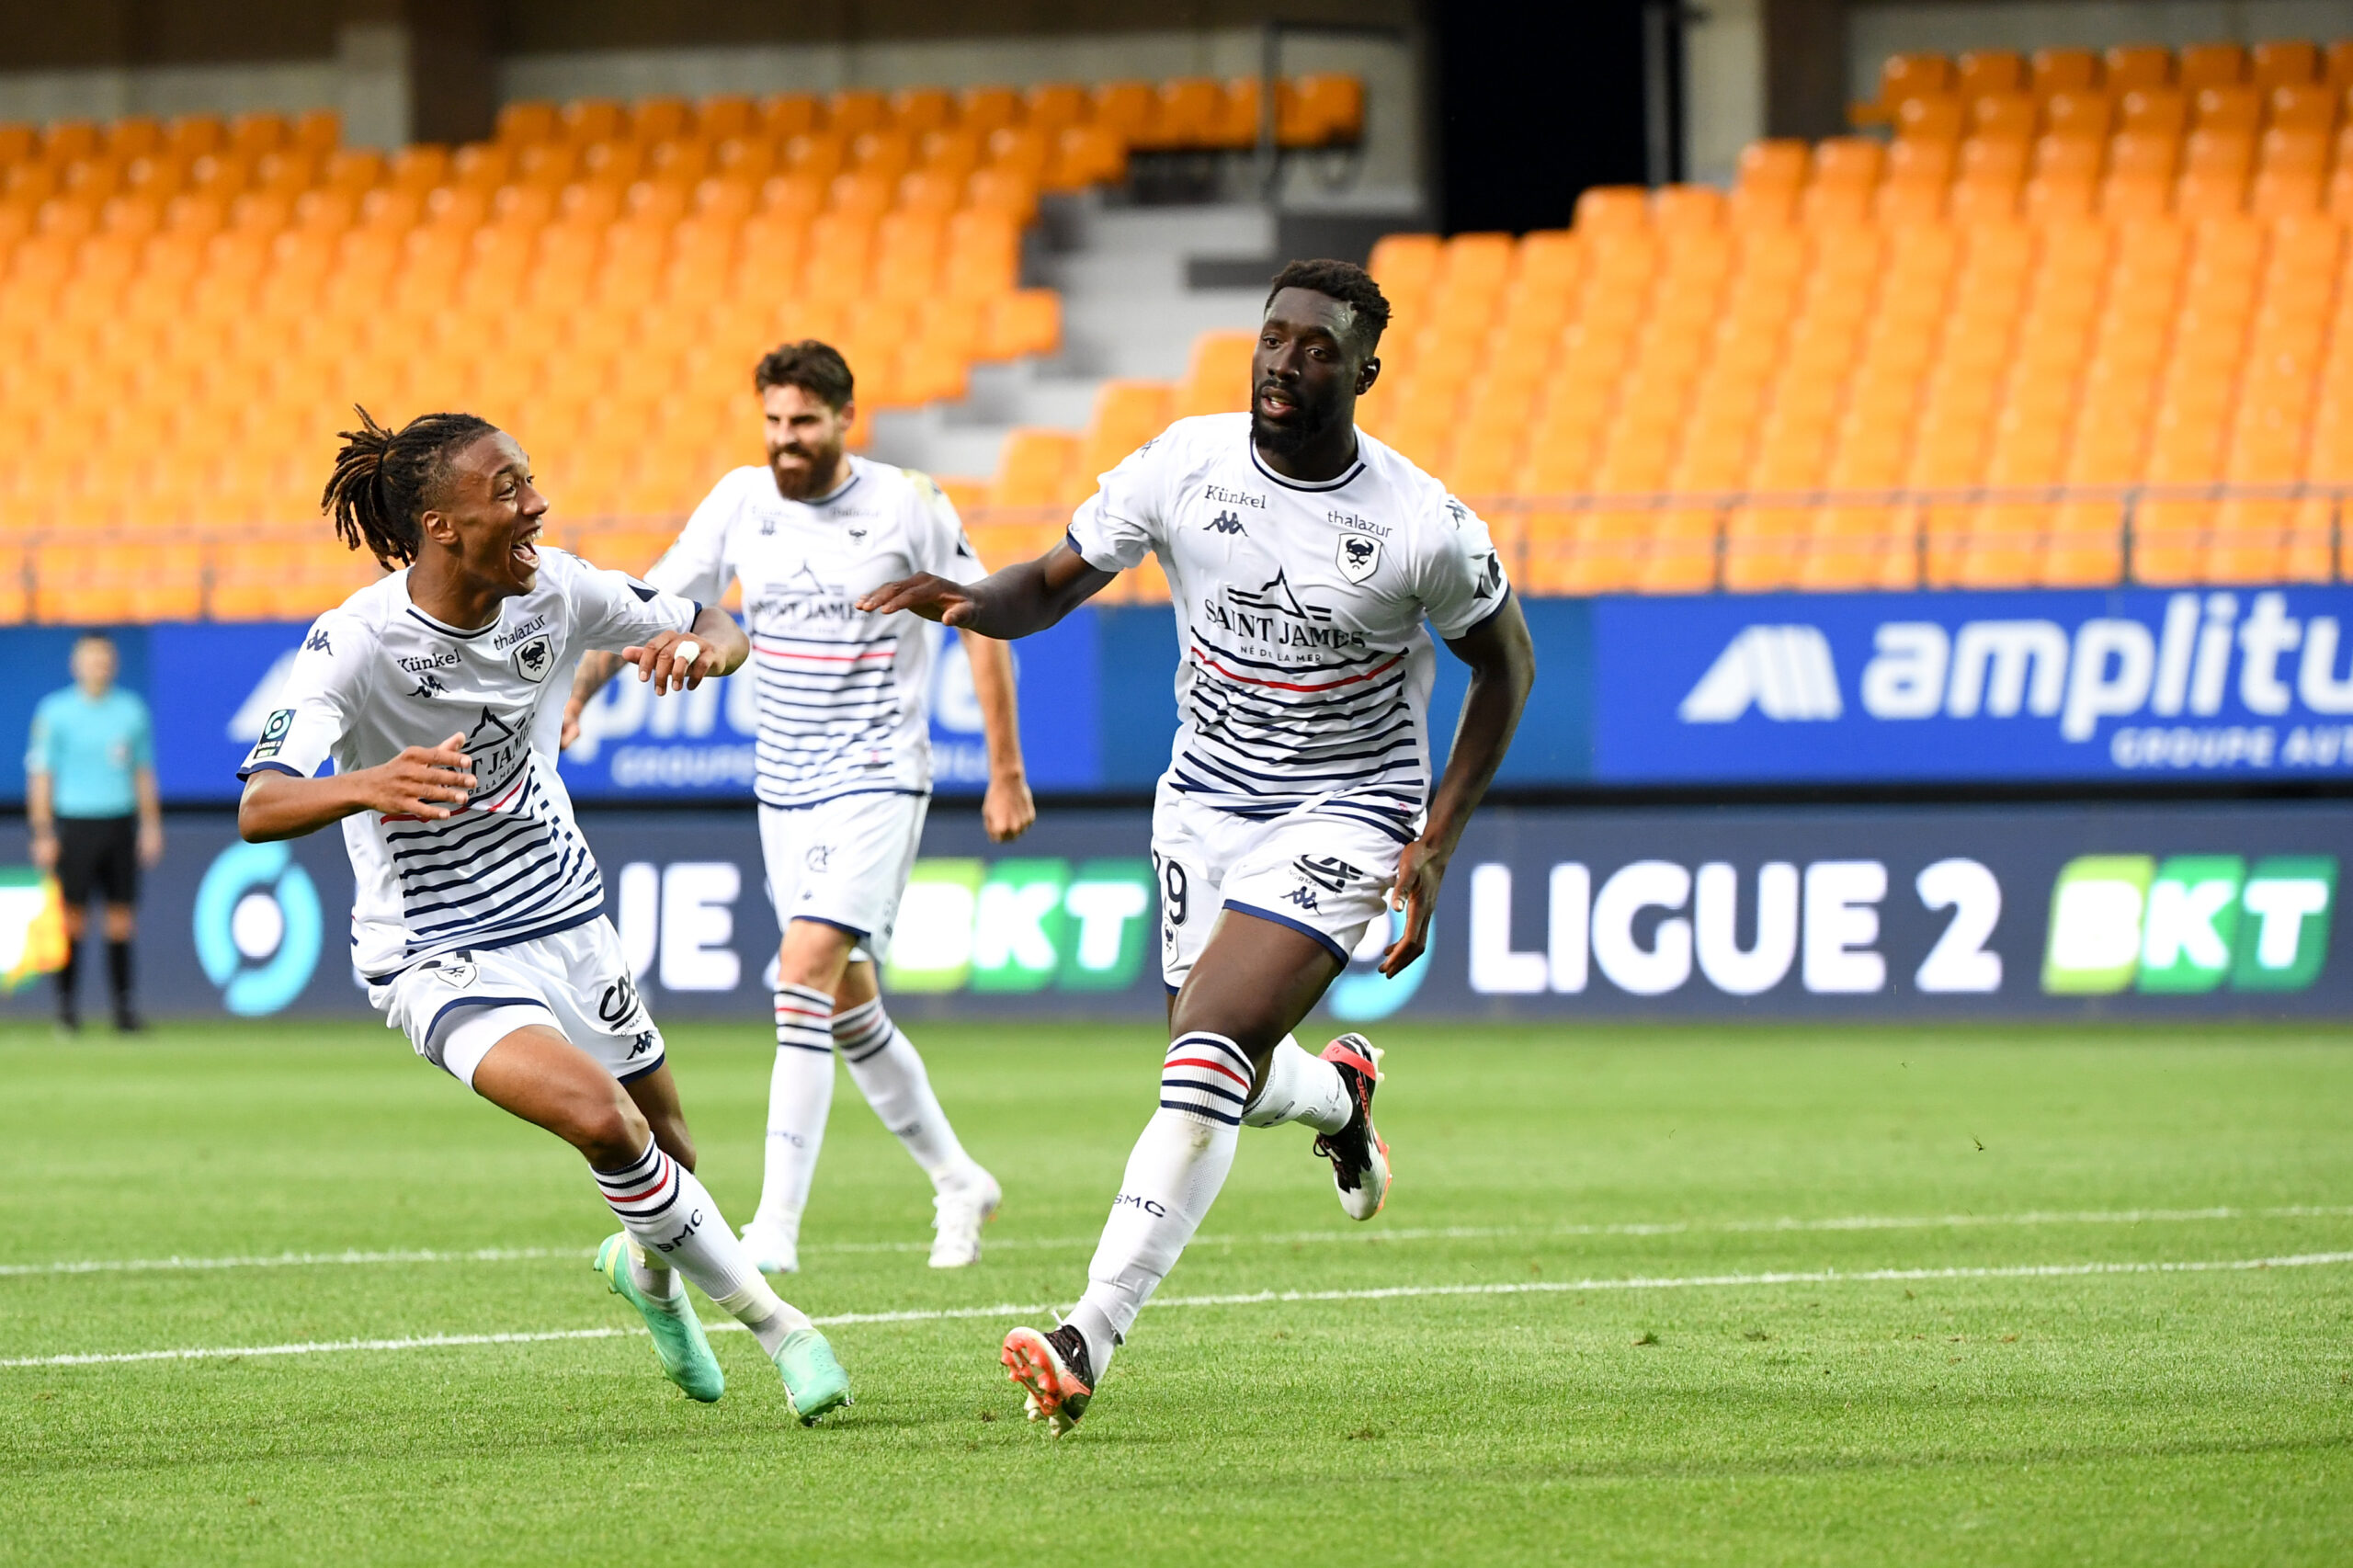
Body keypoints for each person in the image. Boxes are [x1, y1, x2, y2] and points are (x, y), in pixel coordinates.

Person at [860, 259, 1536, 1434]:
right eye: (1273, 337)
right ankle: (1337, 1095)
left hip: (1346, 810)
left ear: (1365, 369)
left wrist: (1434, 840)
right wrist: (967, 597)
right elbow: (1052, 583)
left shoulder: (1423, 526)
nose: (1285, 361)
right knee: (1212, 1056)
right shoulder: (1183, 461)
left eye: (1317, 347)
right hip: (1204, 804)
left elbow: (1507, 665)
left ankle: (1088, 1333)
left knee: (1209, 1045)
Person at [238, 407, 850, 1424]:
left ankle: (645, 1274)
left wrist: (702, 652)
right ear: (441, 525)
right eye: (508, 489)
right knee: (601, 1121)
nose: (537, 504)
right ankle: (784, 1328)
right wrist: (371, 783)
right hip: (437, 951)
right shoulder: (354, 642)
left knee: (672, 1155)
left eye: (530, 481)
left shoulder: (557, 588)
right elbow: (262, 801)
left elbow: (718, 624)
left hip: (566, 917)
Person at [563, 341, 1033, 1275]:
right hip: (782, 784)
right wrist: (579, 693)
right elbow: (653, 604)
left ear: (844, 419)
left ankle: (772, 1227)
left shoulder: (908, 501)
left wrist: (1005, 769)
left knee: (800, 971)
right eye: (774, 422)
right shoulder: (742, 499)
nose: (785, 440)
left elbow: (981, 622)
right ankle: (957, 1176)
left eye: (803, 423)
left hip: (876, 771)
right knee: (847, 1004)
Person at [27, 633, 164, 1033]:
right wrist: (43, 831)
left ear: (114, 663)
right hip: (75, 824)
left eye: (104, 659)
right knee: (72, 920)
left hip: (119, 822)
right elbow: (41, 776)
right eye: (90, 659)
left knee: (121, 919)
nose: (98, 666)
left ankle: (124, 1010)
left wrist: (151, 825)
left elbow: (143, 773)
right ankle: (66, 1011)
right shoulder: (55, 712)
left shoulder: (131, 712)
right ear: (76, 664)